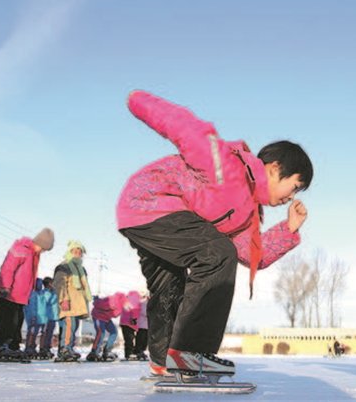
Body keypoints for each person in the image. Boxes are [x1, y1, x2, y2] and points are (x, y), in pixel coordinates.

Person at [116, 90, 313, 376]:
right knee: (218, 252)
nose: (291, 196)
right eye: (294, 186)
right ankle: (189, 351)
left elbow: (249, 253)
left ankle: (163, 361)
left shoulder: (248, 215)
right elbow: (185, 127)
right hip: (150, 201)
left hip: (147, 221)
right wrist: (138, 101)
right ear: (275, 169)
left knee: (169, 285)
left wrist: (289, 229)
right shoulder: (227, 164)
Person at [0, 228, 54, 359]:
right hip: (10, 293)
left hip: (21, 296)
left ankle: (13, 346)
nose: (42, 252)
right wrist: (6, 286)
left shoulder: (33, 254)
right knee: (8, 321)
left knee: (18, 322)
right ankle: (1, 345)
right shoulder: (22, 249)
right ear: (39, 243)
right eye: (42, 248)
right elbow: (8, 268)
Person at [53, 240, 91, 361]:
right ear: (70, 252)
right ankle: (65, 348)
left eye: (80, 252)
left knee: (74, 327)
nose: (78, 254)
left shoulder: (81, 269)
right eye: (75, 252)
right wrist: (63, 299)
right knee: (69, 325)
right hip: (68, 302)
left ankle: (69, 347)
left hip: (78, 303)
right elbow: (60, 284)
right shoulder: (63, 267)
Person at [88, 291, 133, 362]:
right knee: (101, 332)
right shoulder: (114, 302)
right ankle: (95, 350)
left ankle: (108, 349)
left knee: (114, 331)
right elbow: (99, 304)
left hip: (106, 318)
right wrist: (96, 300)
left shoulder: (122, 306)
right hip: (98, 316)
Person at [23, 278, 47, 359]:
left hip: (40, 317)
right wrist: (32, 315)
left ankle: (32, 347)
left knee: (36, 333)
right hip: (33, 317)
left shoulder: (41, 294)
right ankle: (29, 347)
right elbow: (31, 306)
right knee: (32, 332)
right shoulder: (32, 294)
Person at [118, 290, 142, 360]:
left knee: (127, 340)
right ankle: (129, 354)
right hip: (130, 324)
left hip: (123, 323)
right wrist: (134, 321)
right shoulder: (135, 302)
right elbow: (135, 312)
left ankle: (127, 354)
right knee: (130, 339)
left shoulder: (126, 301)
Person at [40, 276, 58, 359]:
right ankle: (43, 348)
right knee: (45, 333)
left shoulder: (50, 292)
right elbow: (49, 301)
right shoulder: (46, 293)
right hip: (47, 316)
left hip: (53, 316)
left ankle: (47, 347)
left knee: (50, 333)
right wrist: (55, 294)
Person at [133, 292, 149, 361]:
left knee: (145, 339)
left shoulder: (147, 303)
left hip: (146, 325)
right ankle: (138, 351)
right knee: (141, 339)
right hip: (142, 325)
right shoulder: (143, 303)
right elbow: (144, 312)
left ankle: (142, 350)